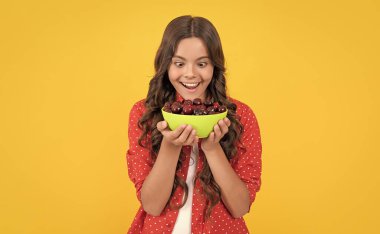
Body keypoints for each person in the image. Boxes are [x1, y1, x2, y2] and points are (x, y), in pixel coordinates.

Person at [126, 15, 262, 234]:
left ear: (214, 66)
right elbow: (152, 205)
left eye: (202, 63)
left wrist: (211, 147)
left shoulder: (240, 116)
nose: (190, 74)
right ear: (166, 65)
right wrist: (170, 146)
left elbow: (240, 207)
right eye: (179, 63)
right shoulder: (145, 114)